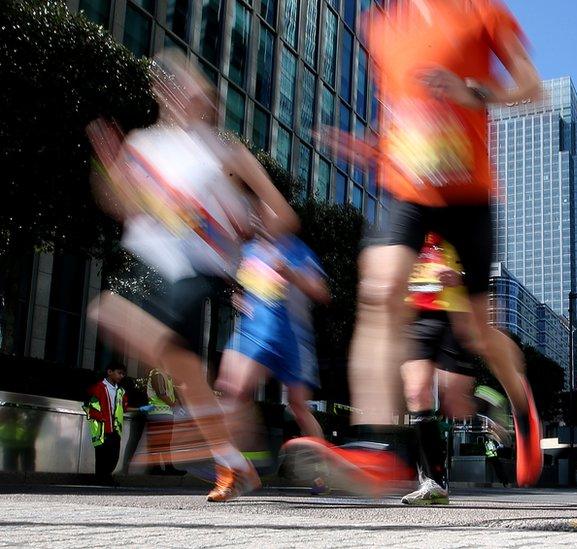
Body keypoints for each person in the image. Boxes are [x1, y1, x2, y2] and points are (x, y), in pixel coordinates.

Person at [320, 0, 545, 490]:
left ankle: (521, 402)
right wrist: (369, 149)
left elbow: (533, 88)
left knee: (477, 333)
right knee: (379, 292)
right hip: (411, 188)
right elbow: (405, 116)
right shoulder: (380, 27)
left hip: (468, 196)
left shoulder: (483, 12)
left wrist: (475, 93)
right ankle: (375, 442)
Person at [85, 51, 297, 501]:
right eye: (175, 86)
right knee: (185, 372)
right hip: (151, 264)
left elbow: (284, 214)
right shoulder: (144, 145)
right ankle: (233, 461)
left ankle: (201, 437)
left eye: (194, 88)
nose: (186, 95)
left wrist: (255, 229)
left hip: (198, 268)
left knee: (113, 316)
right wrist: (110, 167)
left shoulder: (225, 150)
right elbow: (123, 204)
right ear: (162, 92)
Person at [399, 233, 492, 505]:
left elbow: (482, 268)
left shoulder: (458, 221)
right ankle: (433, 484)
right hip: (416, 317)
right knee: (417, 394)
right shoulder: (409, 224)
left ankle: (489, 408)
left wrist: (459, 274)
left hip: (454, 315)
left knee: (455, 403)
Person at [216, 231, 331, 448]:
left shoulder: (296, 249)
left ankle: (322, 466)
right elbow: (235, 283)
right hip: (258, 334)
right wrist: (238, 297)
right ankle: (236, 460)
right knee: (234, 390)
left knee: (298, 405)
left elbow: (322, 293)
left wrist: (291, 273)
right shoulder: (249, 250)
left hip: (295, 338)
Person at [84, 364, 130, 485]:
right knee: (102, 453)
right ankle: (102, 478)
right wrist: (100, 418)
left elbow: (123, 408)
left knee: (114, 454)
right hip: (102, 426)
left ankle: (105, 477)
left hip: (115, 427)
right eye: (119, 373)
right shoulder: (98, 387)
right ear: (109, 372)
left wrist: (141, 409)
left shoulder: (121, 391)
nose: (121, 376)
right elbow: (89, 405)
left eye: (123, 374)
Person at [144, 368, 184, 475]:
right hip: (158, 413)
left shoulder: (166, 375)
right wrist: (173, 404)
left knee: (164, 442)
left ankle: (164, 467)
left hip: (165, 413)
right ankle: (159, 467)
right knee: (159, 442)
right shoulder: (158, 374)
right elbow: (161, 393)